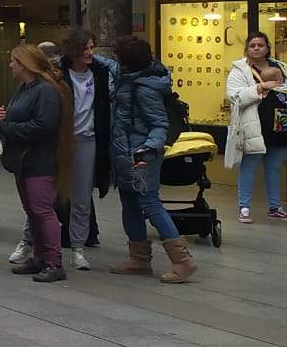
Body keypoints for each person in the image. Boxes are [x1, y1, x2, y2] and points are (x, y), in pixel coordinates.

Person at [106, 36, 198, 284]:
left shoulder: (145, 88)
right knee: (130, 203)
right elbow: (106, 63)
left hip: (141, 155)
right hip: (126, 152)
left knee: (150, 204)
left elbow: (159, 123)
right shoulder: (131, 76)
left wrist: (148, 149)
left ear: (126, 63)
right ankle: (138, 258)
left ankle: (183, 261)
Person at [0, 43, 73, 282]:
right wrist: (4, 116)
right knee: (32, 210)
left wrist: (7, 126)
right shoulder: (25, 88)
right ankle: (40, 257)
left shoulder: (46, 91)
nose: (10, 65)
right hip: (24, 158)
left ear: (24, 65)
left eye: (13, 61)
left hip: (39, 158)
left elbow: (43, 125)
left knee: (42, 211)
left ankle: (54, 262)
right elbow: (22, 115)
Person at [224, 31, 287, 223]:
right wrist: (261, 88)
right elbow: (235, 97)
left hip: (281, 128)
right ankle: (244, 208)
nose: (256, 48)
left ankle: (275, 207)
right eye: (252, 45)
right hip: (254, 126)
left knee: (274, 168)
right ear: (246, 48)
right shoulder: (239, 70)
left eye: (260, 45)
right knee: (249, 167)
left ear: (267, 47)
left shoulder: (282, 67)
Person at [57, 28, 115, 269]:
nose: (91, 53)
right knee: (50, 194)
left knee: (81, 197)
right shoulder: (58, 74)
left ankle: (78, 246)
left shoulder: (100, 74)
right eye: (86, 48)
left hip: (88, 139)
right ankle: (29, 240)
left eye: (93, 47)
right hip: (61, 140)